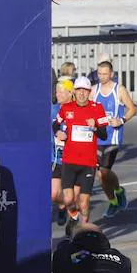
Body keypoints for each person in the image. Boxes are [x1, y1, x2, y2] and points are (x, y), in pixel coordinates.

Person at [54, 76, 108, 229]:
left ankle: (84, 233)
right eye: (79, 90)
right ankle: (73, 214)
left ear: (89, 92)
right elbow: (55, 124)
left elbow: (104, 134)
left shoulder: (97, 108)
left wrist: (95, 128)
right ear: (74, 92)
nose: (82, 94)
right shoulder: (66, 108)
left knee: (84, 202)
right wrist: (58, 132)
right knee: (68, 199)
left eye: (85, 91)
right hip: (69, 161)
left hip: (88, 162)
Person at [90, 59, 136, 218]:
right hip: (97, 138)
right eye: (99, 74)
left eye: (105, 74)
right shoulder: (93, 90)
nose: (102, 77)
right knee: (100, 176)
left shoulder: (119, 90)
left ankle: (119, 191)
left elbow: (132, 109)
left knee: (103, 171)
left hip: (113, 137)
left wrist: (121, 120)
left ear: (112, 74)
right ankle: (113, 201)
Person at [51, 78, 73, 226]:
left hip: (73, 158)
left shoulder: (77, 109)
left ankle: (73, 216)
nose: (57, 94)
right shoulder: (52, 109)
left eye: (61, 91)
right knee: (54, 194)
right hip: (56, 158)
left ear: (70, 93)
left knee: (72, 192)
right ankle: (64, 206)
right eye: (56, 91)